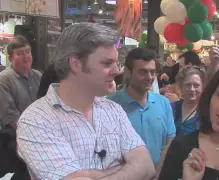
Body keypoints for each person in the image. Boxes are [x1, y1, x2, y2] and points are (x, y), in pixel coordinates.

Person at [16, 23, 155, 180]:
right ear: (75, 64)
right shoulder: (36, 120)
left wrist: (90, 175)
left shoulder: (113, 110)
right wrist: (126, 167)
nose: (117, 71)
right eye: (107, 63)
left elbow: (147, 166)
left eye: (116, 62)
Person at [108, 48, 176, 176]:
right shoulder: (111, 105)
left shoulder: (163, 103)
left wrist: (156, 174)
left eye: (152, 72)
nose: (149, 77)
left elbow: (169, 141)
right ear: (128, 72)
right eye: (142, 72)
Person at [0, 35, 42, 180]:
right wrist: (35, 138)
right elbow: (11, 117)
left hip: (39, 133)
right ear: (10, 58)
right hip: (14, 136)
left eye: (28, 52)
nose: (26, 56)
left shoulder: (37, 76)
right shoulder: (4, 80)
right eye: (20, 53)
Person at [171, 66, 206, 136]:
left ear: (203, 87)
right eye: (188, 85)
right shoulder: (171, 108)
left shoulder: (206, 113)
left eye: (196, 85)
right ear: (181, 86)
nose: (192, 89)